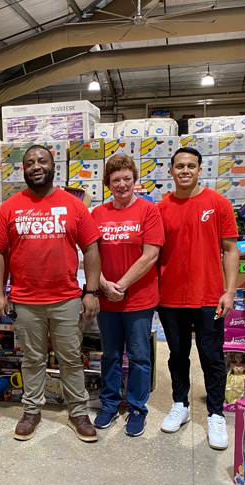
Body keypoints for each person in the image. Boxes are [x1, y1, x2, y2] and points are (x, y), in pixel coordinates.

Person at [0, 145, 102, 443]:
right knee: (32, 359)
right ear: (22, 169)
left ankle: (78, 412)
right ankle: (31, 411)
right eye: (29, 162)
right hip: (25, 300)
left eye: (42, 161)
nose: (36, 166)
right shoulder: (10, 207)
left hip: (66, 297)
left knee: (70, 359)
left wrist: (91, 291)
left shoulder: (73, 205)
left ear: (53, 167)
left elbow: (91, 248)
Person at [157, 147, 239, 450]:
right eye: (179, 166)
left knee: (211, 357)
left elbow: (231, 250)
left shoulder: (218, 204)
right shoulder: (161, 207)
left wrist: (229, 291)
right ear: (171, 171)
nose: (185, 171)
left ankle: (215, 414)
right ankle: (180, 404)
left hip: (208, 296)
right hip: (169, 296)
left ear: (200, 169)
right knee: (177, 355)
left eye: (191, 166)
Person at [91, 155, 164, 437]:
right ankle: (108, 404)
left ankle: (136, 408)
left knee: (138, 355)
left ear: (135, 180)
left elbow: (151, 255)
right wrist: (103, 284)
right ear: (107, 183)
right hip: (107, 299)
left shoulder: (149, 211)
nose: (121, 185)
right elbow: (89, 255)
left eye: (126, 179)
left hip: (138, 300)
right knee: (109, 355)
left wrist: (119, 285)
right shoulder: (97, 214)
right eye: (115, 180)